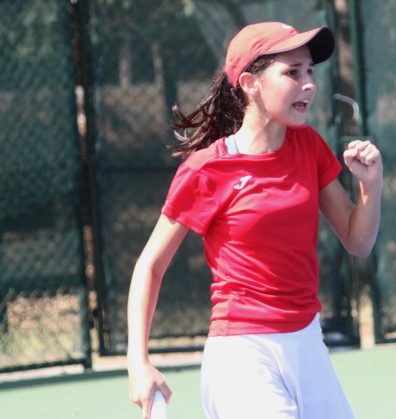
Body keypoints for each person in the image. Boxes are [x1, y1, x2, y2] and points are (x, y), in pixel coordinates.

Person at [127, 21, 382, 419]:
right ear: (250, 83)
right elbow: (150, 265)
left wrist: (371, 186)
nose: (309, 84)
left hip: (308, 346)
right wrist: (137, 361)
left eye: (310, 71)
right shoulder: (207, 169)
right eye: (292, 72)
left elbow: (358, 241)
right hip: (243, 354)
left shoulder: (310, 147)